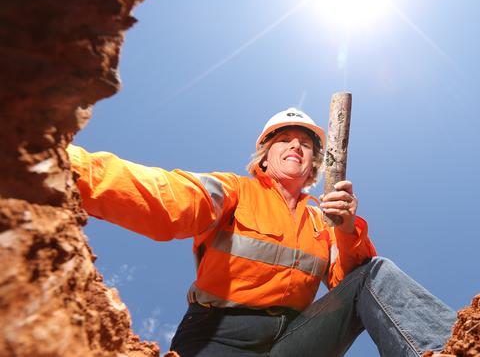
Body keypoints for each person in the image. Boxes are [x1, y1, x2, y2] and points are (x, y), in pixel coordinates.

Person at [67, 108, 456, 357]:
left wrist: (347, 228)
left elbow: (351, 282)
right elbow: (169, 198)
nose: (295, 146)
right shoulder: (236, 190)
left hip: (293, 340)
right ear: (264, 156)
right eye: (283, 140)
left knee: (376, 274)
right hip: (219, 336)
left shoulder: (322, 219)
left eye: (305, 144)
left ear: (313, 166)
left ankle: (449, 352)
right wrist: (70, 168)